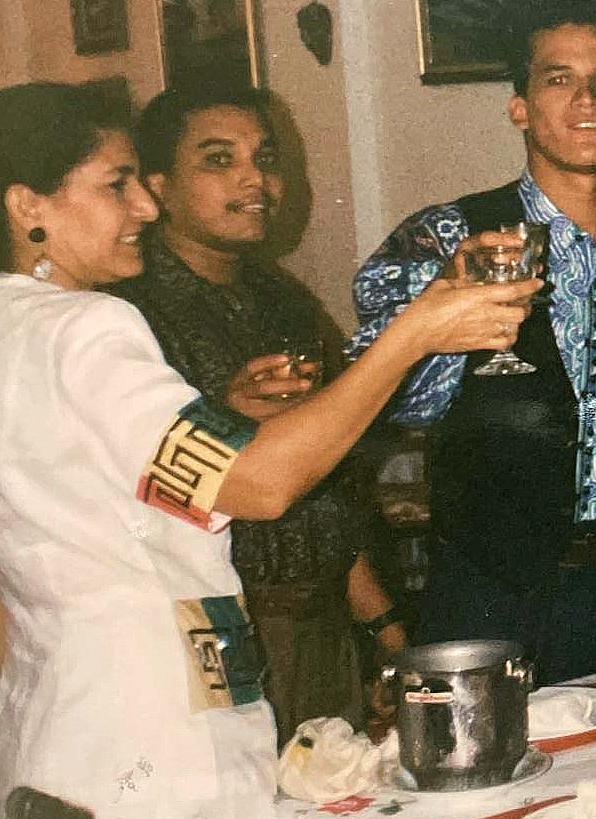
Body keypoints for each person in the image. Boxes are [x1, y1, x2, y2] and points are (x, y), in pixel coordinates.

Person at [0, 82, 529, 817]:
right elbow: (260, 484)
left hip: (53, 736)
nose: (144, 205)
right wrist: (414, 332)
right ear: (27, 205)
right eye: (116, 184)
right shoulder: (89, 329)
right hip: (152, 747)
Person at [349, 0, 596, 683]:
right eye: (558, 77)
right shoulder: (445, 238)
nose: (588, 99)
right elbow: (397, 408)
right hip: (490, 592)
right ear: (519, 107)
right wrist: (444, 309)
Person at [107, 87, 405, 744]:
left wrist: (381, 622)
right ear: (157, 187)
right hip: (219, 631)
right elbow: (137, 492)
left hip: (324, 624)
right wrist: (221, 415)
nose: (255, 178)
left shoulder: (282, 298)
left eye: (264, 158)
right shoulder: (128, 314)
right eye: (218, 160)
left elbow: (323, 487)